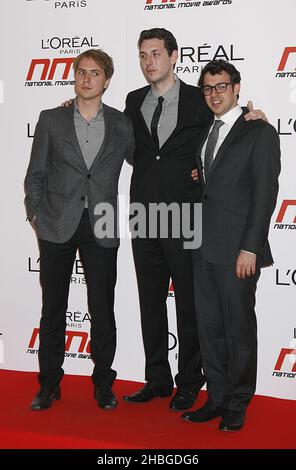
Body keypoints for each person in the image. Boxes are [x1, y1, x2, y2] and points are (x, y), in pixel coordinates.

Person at [122, 28, 266, 411]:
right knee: (150, 301)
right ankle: (157, 378)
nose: (148, 61)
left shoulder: (199, 97)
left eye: (155, 53)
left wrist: (254, 114)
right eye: (142, 55)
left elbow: (227, 125)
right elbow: (126, 145)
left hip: (187, 217)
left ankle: (190, 382)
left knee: (189, 305)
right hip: (144, 214)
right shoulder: (132, 100)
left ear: (173, 56)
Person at [24, 49, 134, 411]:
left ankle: (104, 384)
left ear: (107, 80)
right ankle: (49, 385)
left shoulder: (122, 124)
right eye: (81, 72)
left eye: (95, 73)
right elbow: (35, 173)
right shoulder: (51, 119)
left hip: (102, 223)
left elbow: (157, 157)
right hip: (56, 222)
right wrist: (36, 213)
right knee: (53, 307)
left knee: (102, 308)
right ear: (74, 76)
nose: (87, 79)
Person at [182, 59, 280, 430]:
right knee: (209, 328)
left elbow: (264, 194)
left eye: (221, 86)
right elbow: (211, 185)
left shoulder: (260, 132)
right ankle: (217, 397)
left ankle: (238, 403)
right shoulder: (207, 132)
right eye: (207, 88)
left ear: (237, 88)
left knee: (238, 329)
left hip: (238, 250)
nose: (214, 94)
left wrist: (250, 247)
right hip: (202, 247)